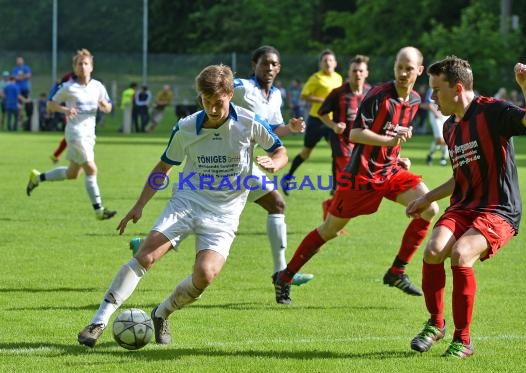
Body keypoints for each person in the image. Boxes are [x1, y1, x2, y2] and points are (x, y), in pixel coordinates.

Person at [77, 64, 288, 348]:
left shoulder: (249, 122)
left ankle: (162, 312)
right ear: (200, 98)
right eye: (207, 102)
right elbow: (163, 167)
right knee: (146, 255)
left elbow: (280, 150)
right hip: (188, 202)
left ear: (229, 95)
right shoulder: (187, 127)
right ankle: (98, 322)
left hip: (225, 214)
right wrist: (139, 205)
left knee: (205, 275)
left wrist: (274, 163)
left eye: (219, 103)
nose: (213, 109)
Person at [129, 46, 314, 295]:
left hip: (244, 163)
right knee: (208, 206)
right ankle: (153, 244)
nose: (269, 68)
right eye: (264, 63)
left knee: (276, 205)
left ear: (279, 68)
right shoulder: (242, 87)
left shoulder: (277, 95)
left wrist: (289, 129)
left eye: (273, 64)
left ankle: (281, 274)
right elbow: (214, 86)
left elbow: (271, 131)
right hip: (219, 159)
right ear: (254, 65)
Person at [272, 47, 440, 305]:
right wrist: (389, 140)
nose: (403, 73)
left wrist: (397, 155)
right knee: (329, 229)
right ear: (394, 67)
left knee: (429, 208)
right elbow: (355, 134)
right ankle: (285, 276)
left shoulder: (415, 101)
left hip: (390, 171)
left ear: (420, 70)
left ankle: (397, 271)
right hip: (360, 176)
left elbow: (395, 135)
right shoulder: (378, 95)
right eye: (399, 67)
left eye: (409, 68)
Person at [406, 57, 526, 358]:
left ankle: (463, 340)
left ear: (457, 88)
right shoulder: (449, 128)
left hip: (499, 209)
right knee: (432, 252)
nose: (432, 98)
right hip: (464, 206)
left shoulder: (492, 111)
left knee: (460, 254)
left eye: (436, 90)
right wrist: (427, 197)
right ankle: (436, 324)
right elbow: (461, 176)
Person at [26, 49, 116, 221]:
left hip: (89, 135)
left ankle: (37, 178)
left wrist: (105, 105)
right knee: (91, 168)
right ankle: (99, 210)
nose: (83, 66)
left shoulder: (98, 86)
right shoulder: (68, 87)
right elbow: (50, 105)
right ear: (74, 68)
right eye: (79, 64)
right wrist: (65, 109)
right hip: (75, 134)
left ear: (91, 67)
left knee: (72, 173)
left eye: (86, 63)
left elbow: (109, 107)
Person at [282, 49, 343, 195]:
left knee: (336, 152)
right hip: (316, 120)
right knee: (306, 153)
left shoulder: (338, 78)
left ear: (335, 63)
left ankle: (335, 188)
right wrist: (324, 101)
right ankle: (288, 177)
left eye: (330, 60)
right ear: (320, 63)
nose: (328, 62)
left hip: (331, 121)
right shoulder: (316, 78)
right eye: (325, 60)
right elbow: (304, 95)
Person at [318, 54, 371, 220]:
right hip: (342, 144)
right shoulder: (338, 93)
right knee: (347, 183)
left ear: (366, 73)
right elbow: (322, 113)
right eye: (354, 70)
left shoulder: (371, 93)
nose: (358, 74)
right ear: (349, 72)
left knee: (353, 185)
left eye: (361, 71)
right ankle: (333, 217)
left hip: (362, 145)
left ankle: (330, 206)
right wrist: (334, 126)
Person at [47, 72, 75, 163]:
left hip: (74, 113)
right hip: (68, 111)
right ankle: (58, 155)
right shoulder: (68, 80)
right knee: (71, 135)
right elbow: (52, 99)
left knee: (69, 136)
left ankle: (56, 155)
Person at [424, 86, 449, 166]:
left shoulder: (448, 87)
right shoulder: (432, 88)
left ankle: (443, 158)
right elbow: (429, 104)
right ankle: (431, 155)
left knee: (446, 137)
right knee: (439, 140)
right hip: (436, 116)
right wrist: (436, 113)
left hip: (446, 115)